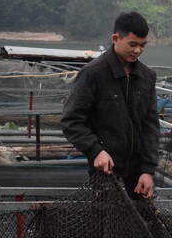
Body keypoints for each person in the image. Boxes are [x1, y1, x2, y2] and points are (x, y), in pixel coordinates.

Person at [62, 11, 160, 199]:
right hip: (105, 170)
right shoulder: (93, 74)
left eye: (142, 45)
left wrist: (148, 170)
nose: (138, 50)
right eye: (132, 44)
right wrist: (95, 150)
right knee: (104, 222)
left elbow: (151, 127)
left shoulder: (147, 77)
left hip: (138, 173)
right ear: (115, 38)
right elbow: (71, 121)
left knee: (141, 222)